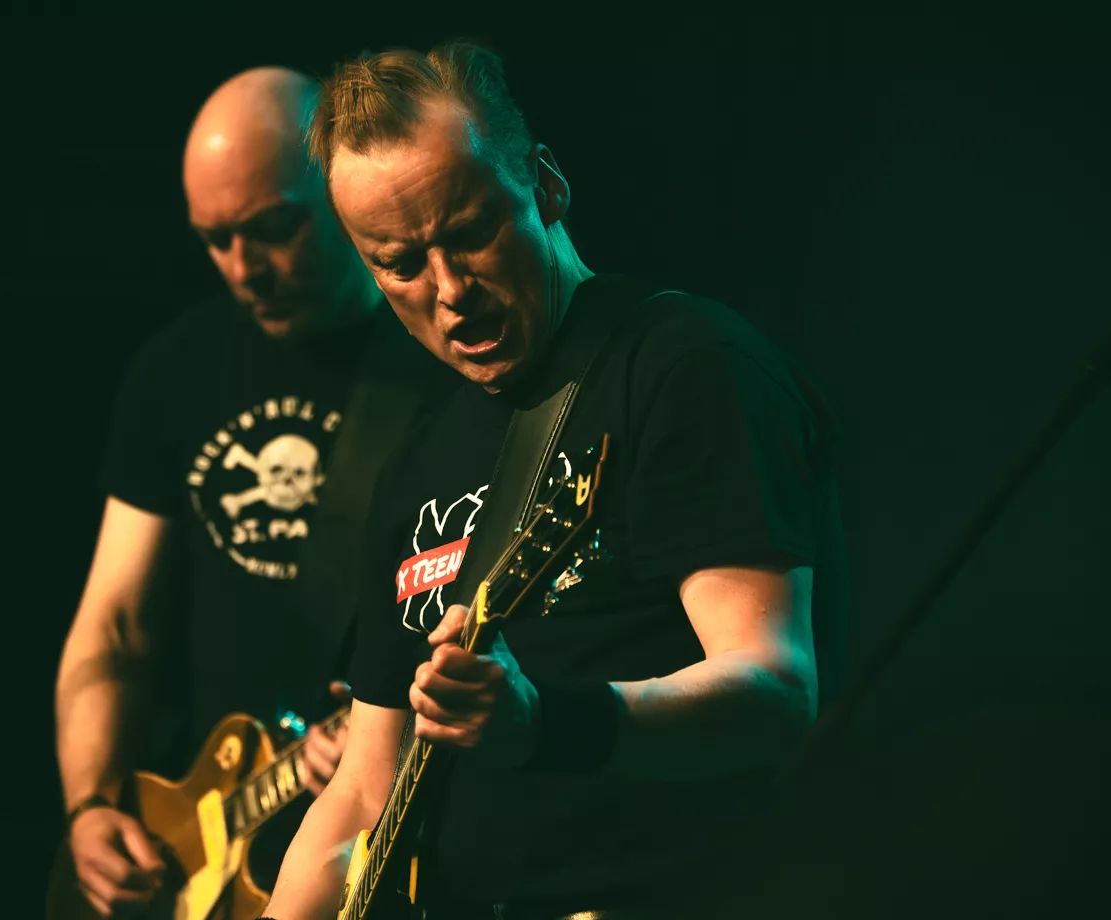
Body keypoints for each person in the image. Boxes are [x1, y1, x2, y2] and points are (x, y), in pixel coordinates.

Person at [260, 41, 847, 920]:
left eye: (471, 233)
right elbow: (361, 792)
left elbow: (775, 691)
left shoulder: (684, 366)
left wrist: (546, 722)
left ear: (544, 185)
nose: (450, 290)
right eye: (400, 263)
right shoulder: (416, 462)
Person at [54, 66, 448, 917]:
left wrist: (382, 728)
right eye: (215, 240)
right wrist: (91, 804)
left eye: (273, 229)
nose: (244, 269)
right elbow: (115, 626)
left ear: (339, 190)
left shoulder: (442, 360)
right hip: (203, 839)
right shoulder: (176, 368)